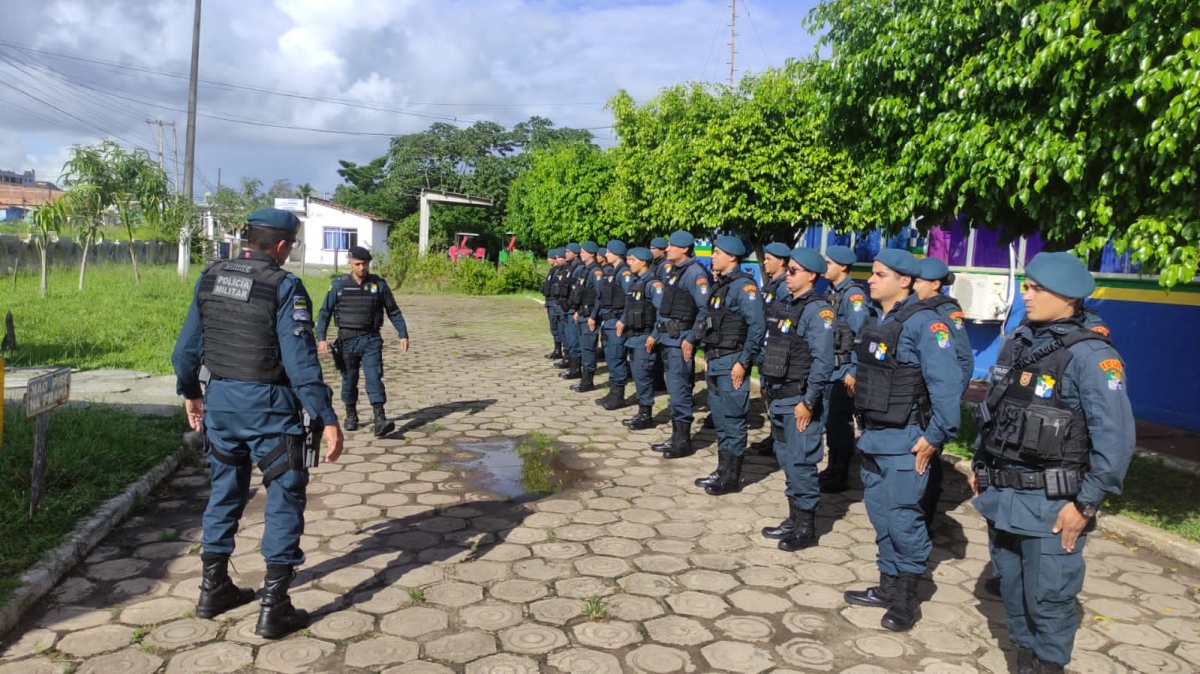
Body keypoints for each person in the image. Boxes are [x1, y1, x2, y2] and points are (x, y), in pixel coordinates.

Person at [171, 208, 344, 640]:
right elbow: (301, 362)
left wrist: (193, 394)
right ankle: (274, 607)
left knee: (225, 491)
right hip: (269, 407)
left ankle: (213, 591)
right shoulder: (284, 286)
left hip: (222, 404)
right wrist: (327, 418)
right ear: (283, 246)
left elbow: (184, 353)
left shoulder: (210, 277)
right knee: (284, 497)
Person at [970, 252, 1134, 674]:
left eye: (1036, 288)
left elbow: (1115, 440)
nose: (1026, 294)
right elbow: (994, 410)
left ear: (1067, 297)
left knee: (1049, 602)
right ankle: (1026, 663)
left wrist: (1086, 504)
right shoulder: (1020, 341)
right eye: (1026, 286)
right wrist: (979, 463)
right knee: (1014, 594)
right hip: (1002, 498)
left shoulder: (1092, 356)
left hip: (1052, 507)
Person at [842, 249, 961, 633]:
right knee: (882, 518)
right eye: (872, 273)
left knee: (904, 520)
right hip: (876, 438)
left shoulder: (927, 324)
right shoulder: (881, 319)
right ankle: (887, 587)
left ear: (904, 281)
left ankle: (907, 601)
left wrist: (934, 436)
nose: (871, 280)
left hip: (907, 441)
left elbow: (947, 384)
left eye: (879, 274)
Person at [759, 247, 834, 550]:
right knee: (787, 460)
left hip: (798, 401)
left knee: (801, 463)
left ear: (811, 276)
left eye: (794, 271)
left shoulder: (817, 311)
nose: (787, 276)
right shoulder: (786, 304)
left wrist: (809, 401)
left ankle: (806, 528)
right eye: (787, 270)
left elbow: (823, 362)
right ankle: (793, 518)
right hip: (778, 397)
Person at [691, 236, 765, 493]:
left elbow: (757, 326)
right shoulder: (722, 285)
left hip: (732, 360)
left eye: (717, 253)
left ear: (732, 257)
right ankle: (722, 470)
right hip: (715, 359)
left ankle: (732, 478)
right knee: (721, 419)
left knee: (733, 421)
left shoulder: (744, 287)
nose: (712, 257)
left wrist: (744, 362)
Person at [315, 246, 410, 437]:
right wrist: (322, 338)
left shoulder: (378, 285)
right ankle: (351, 415)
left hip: (371, 339)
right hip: (347, 341)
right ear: (349, 262)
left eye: (365, 264)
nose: (362, 268)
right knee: (349, 380)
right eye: (358, 264)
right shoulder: (338, 285)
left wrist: (403, 333)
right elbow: (324, 312)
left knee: (374, 377)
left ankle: (380, 419)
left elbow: (393, 311)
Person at [913, 256, 975, 528]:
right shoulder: (915, 307)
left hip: (933, 401)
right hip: (913, 398)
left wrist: (947, 401)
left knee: (930, 459)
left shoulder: (948, 313)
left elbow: (964, 360)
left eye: (917, 280)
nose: (912, 284)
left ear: (935, 284)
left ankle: (926, 518)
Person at [646, 231, 712, 458]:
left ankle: (683, 441)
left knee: (680, 389)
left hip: (681, 341)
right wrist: (656, 333)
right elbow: (665, 308)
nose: (667, 249)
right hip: (667, 338)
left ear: (684, 249)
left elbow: (704, 310)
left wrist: (692, 339)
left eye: (672, 246)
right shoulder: (672, 271)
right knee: (673, 389)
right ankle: (675, 436)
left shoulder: (695, 274)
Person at [819, 245, 869, 493]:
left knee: (841, 423)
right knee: (831, 422)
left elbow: (862, 337)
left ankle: (841, 474)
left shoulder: (854, 296)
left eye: (829, 263)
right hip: (831, 370)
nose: (824, 267)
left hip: (844, 371)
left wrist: (855, 371)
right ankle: (831, 467)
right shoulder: (831, 291)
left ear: (843, 267)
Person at [748, 241, 792, 456]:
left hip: (776, 349)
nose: (764, 262)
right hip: (766, 348)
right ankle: (774, 436)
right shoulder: (771, 284)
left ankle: (780, 441)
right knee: (768, 394)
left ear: (781, 261)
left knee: (776, 395)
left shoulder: (784, 287)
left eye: (768, 259)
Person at [619, 247, 665, 430]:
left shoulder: (653, 284)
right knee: (638, 376)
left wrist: (655, 335)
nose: (629, 262)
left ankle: (646, 416)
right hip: (634, 337)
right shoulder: (637, 282)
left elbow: (662, 312)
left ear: (643, 262)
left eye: (632, 259)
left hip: (645, 337)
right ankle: (642, 412)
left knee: (643, 376)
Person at [595, 240, 634, 409]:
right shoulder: (613, 271)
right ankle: (612, 393)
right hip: (609, 321)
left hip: (617, 322)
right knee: (611, 358)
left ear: (616, 253)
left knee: (617, 359)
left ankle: (618, 396)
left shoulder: (624, 273)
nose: (606, 255)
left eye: (609, 252)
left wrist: (624, 320)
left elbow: (630, 298)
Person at [570, 241, 605, 392]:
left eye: (584, 252)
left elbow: (599, 296)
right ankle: (584, 379)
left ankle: (588, 381)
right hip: (583, 314)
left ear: (591, 254)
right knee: (584, 348)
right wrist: (577, 311)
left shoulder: (596, 271)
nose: (581, 254)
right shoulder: (585, 270)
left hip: (590, 317)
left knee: (589, 349)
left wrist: (593, 316)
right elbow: (582, 294)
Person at [558, 243, 584, 378]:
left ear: (575, 253)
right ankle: (572, 366)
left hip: (573, 309)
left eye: (568, 252)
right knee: (569, 339)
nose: (565, 254)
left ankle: (576, 369)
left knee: (574, 341)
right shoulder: (569, 267)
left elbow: (578, 291)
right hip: (566, 308)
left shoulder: (578, 268)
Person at [542, 248, 566, 361]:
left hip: (556, 303)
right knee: (554, 327)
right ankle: (557, 349)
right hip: (551, 302)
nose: (548, 260)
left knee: (559, 327)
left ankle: (560, 350)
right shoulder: (553, 270)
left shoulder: (560, 271)